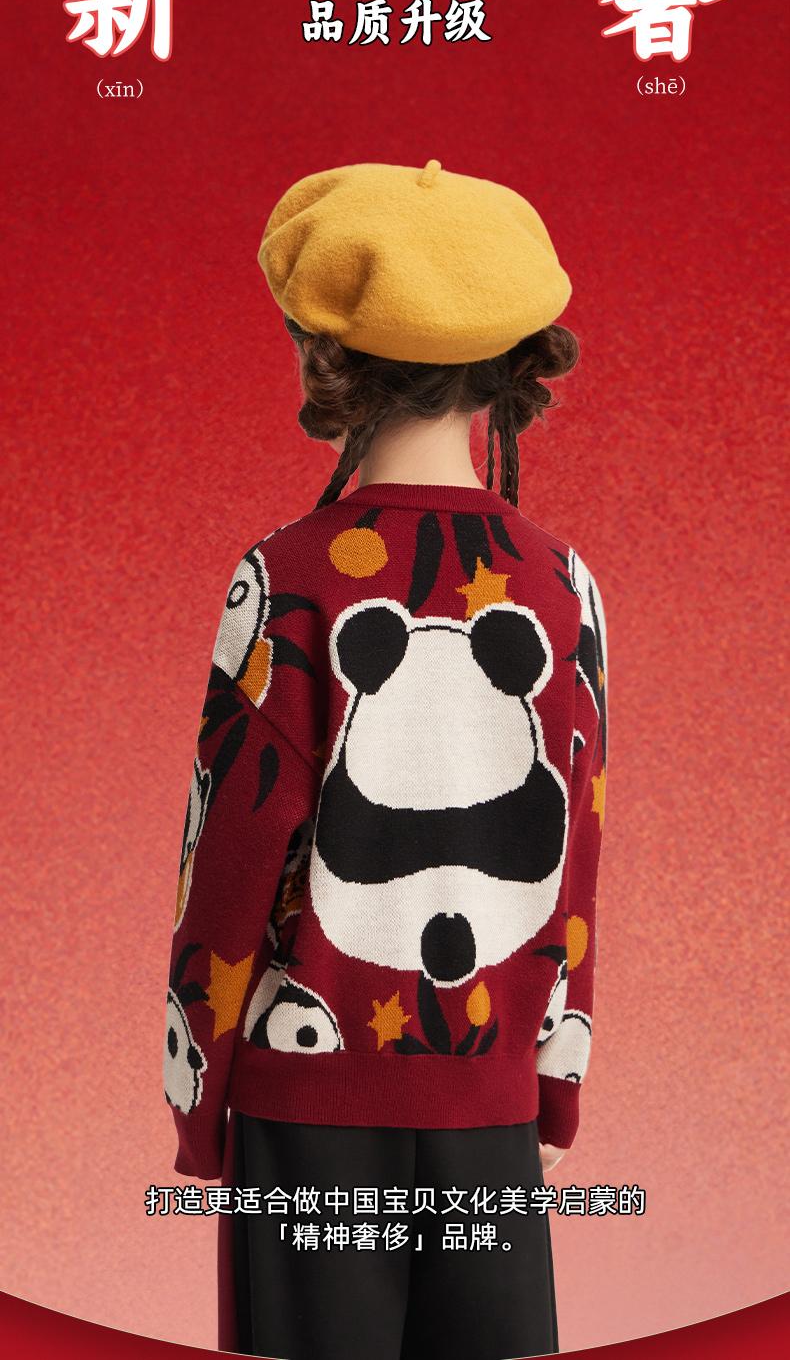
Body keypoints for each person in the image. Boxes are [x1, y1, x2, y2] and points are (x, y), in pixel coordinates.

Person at [162, 160, 609, 1360]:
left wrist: (199, 1097)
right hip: (490, 1095)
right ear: (513, 366)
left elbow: (231, 854)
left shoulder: (284, 579)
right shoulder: (565, 586)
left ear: (328, 359)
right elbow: (575, 852)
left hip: (306, 1102)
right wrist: (550, 1079)